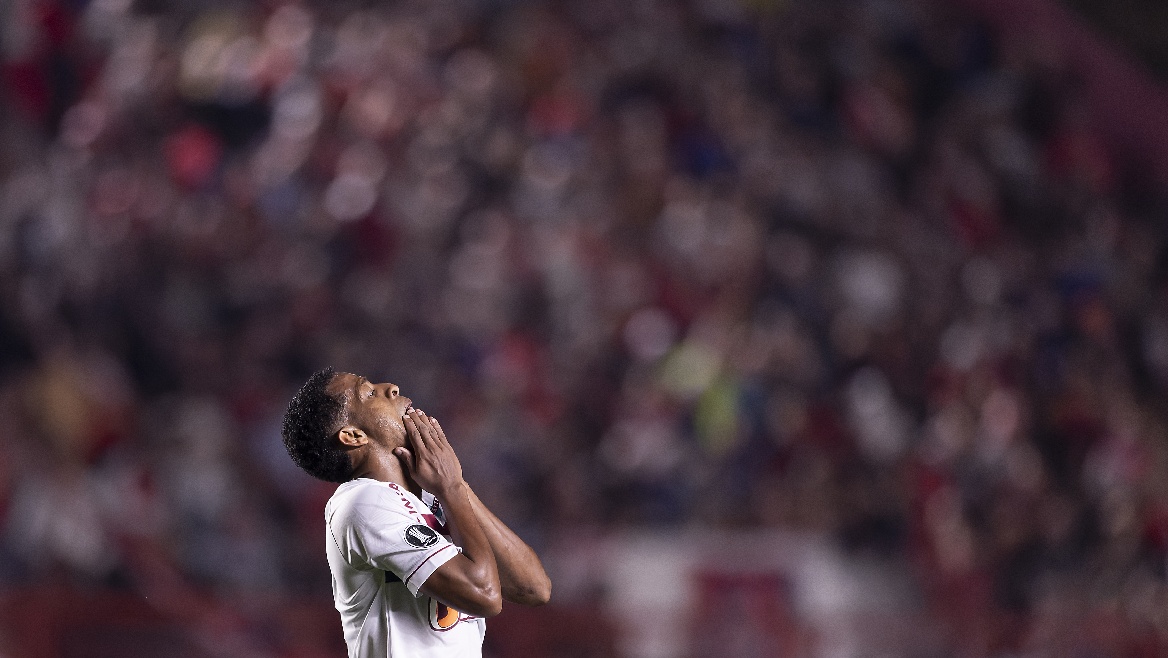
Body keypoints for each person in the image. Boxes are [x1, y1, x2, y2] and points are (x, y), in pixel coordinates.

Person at [281, 367, 552, 657]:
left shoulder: (432, 495)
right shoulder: (361, 502)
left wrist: (453, 484)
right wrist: (452, 488)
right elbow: (484, 595)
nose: (391, 387)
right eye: (369, 393)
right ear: (353, 435)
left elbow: (534, 589)